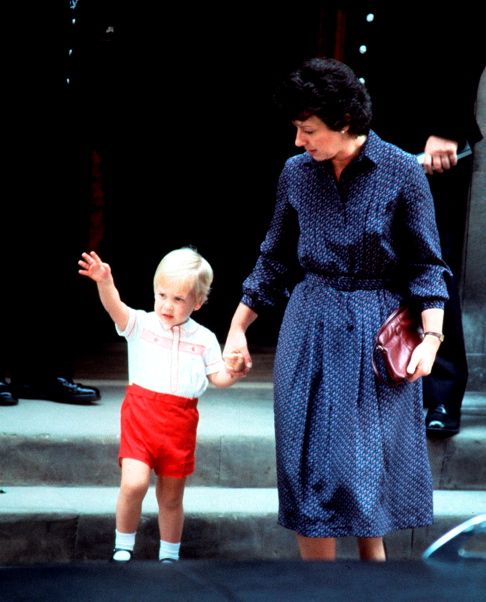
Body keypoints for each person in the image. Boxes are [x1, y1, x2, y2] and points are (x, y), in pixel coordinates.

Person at [223, 58, 451, 561]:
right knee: (307, 470)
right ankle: (319, 593)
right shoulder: (296, 174)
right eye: (297, 129)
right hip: (310, 322)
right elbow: (274, 257)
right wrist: (238, 328)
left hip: (375, 327)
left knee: (363, 474)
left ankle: (372, 590)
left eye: (309, 130)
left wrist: (431, 339)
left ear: (345, 123)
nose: (299, 141)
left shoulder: (401, 173)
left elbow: (427, 265)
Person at [331, 2, 485, 437]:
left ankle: (440, 392)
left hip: (430, 146)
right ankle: (382, 381)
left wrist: (448, 125)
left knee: (433, 259)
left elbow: (468, 36)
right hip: (371, 134)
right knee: (370, 260)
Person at [78, 247, 246, 563]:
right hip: (141, 415)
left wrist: (234, 371)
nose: (167, 305)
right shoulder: (141, 324)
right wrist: (104, 282)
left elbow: (218, 376)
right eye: (162, 295)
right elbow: (115, 307)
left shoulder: (206, 339)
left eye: (179, 299)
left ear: (197, 302)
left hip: (180, 421)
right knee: (134, 482)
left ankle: (169, 554)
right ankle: (122, 546)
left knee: (171, 496)